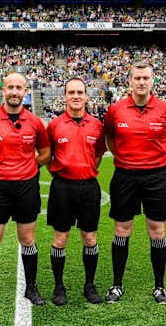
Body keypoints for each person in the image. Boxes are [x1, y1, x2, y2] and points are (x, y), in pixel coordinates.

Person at [103, 61, 166, 304]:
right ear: (130, 81)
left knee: (157, 230)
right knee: (121, 230)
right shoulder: (115, 110)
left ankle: (159, 287)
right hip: (124, 175)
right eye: (137, 78)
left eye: (145, 78)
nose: (141, 82)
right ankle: (117, 285)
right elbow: (109, 140)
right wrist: (125, 159)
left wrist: (158, 162)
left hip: (156, 177)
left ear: (152, 81)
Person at [0, 72, 51, 306]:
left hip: (26, 187)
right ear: (3, 90)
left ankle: (32, 288)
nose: (15, 92)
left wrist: (28, 166)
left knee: (27, 239)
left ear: (25, 92)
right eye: (10, 87)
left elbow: (46, 153)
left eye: (19, 88)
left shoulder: (35, 122)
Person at [46, 78, 105, 306]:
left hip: (89, 187)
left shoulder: (96, 125)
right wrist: (63, 174)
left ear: (86, 96)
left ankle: (89, 285)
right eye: (71, 92)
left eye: (80, 92)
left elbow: (98, 154)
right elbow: (47, 154)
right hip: (62, 187)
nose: (76, 96)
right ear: (65, 97)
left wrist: (86, 170)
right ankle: (59, 286)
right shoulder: (54, 125)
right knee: (61, 238)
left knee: (89, 238)